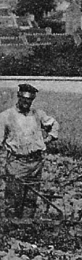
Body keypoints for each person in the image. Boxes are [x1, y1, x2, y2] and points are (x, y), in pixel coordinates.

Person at [0, 84, 59, 219]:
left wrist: (47, 139)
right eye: (24, 99)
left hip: (35, 163)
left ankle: (27, 228)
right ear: (18, 97)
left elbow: (53, 125)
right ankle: (12, 231)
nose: (27, 103)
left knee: (31, 199)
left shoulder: (38, 114)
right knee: (14, 199)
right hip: (17, 163)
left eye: (30, 100)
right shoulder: (6, 116)